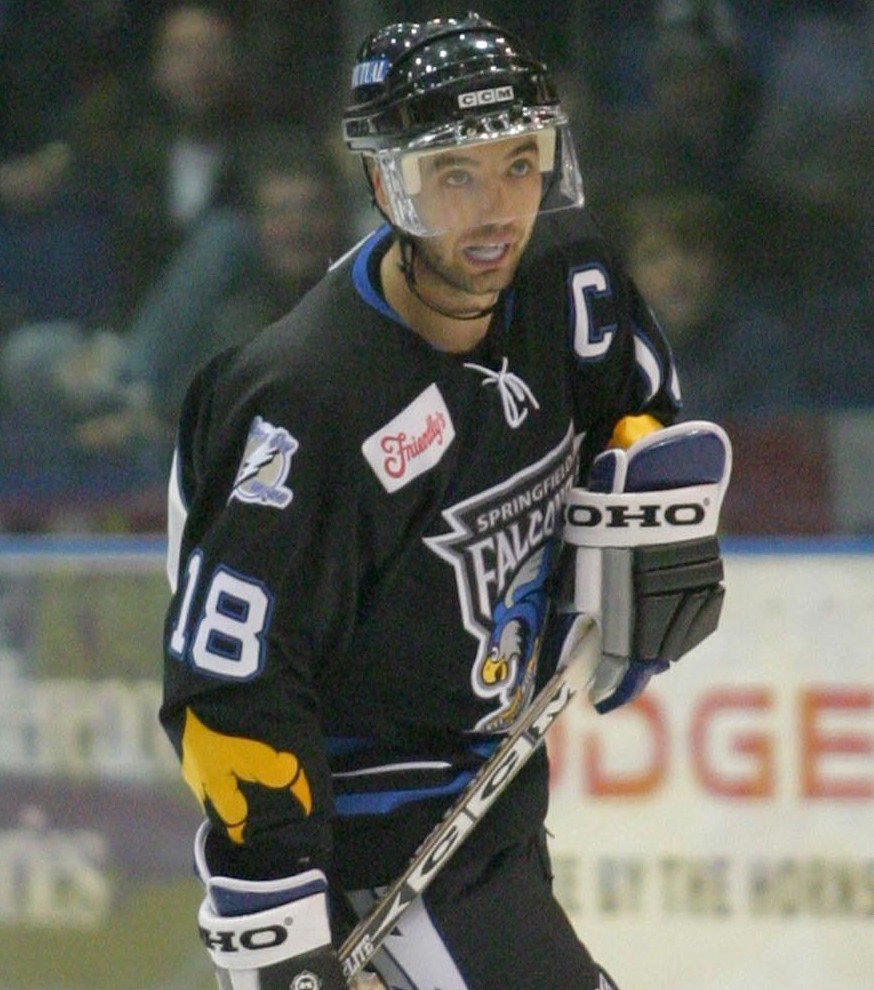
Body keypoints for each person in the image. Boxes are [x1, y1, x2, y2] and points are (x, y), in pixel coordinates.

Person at [159, 14, 729, 990]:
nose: (497, 208)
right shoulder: (308, 400)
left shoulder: (567, 283)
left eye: (520, 162)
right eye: (453, 173)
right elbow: (230, 679)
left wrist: (643, 533)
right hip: (370, 840)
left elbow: (636, 415)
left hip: (493, 798)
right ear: (386, 184)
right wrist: (274, 912)